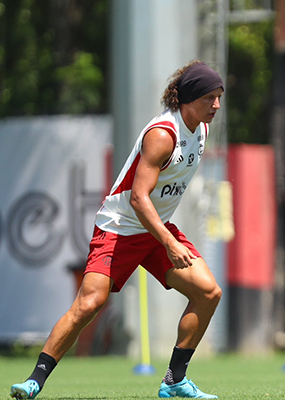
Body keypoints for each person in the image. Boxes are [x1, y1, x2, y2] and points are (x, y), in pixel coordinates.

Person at [10, 60, 225, 400]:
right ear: (187, 98)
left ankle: (174, 380)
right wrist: (169, 242)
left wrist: (164, 237)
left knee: (208, 293)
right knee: (89, 303)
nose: (216, 106)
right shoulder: (162, 135)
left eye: (219, 98)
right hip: (120, 228)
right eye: (209, 98)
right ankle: (34, 380)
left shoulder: (201, 129)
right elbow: (139, 199)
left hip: (156, 230)